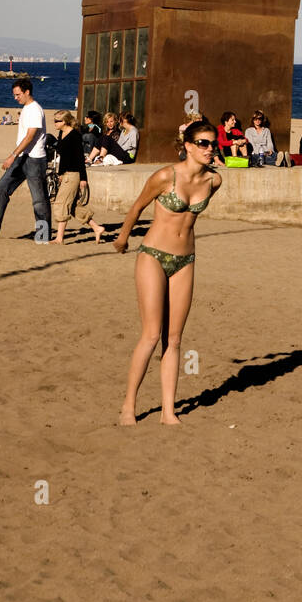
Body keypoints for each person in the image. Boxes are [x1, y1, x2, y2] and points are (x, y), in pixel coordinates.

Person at [114, 120, 222, 425]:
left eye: (213, 143)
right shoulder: (165, 176)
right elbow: (136, 208)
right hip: (152, 255)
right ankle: (128, 406)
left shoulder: (214, 182)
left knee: (174, 339)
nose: (209, 149)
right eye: (203, 143)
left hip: (185, 260)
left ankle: (168, 411)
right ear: (187, 145)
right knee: (151, 334)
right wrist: (122, 238)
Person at [0, 79, 51, 241]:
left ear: (27, 92)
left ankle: (43, 234)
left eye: (18, 95)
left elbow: (30, 136)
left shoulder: (35, 110)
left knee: (39, 200)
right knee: (1, 188)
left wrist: (12, 155)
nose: (15, 98)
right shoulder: (26, 109)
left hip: (35, 160)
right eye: (14, 95)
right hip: (22, 157)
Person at [51, 111, 106, 243]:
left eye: (57, 121)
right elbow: (63, 157)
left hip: (74, 174)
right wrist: (60, 174)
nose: (55, 123)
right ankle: (97, 228)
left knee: (61, 203)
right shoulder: (61, 134)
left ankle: (59, 237)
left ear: (64, 121)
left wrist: (83, 179)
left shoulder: (75, 135)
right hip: (66, 174)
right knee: (74, 206)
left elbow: (79, 159)